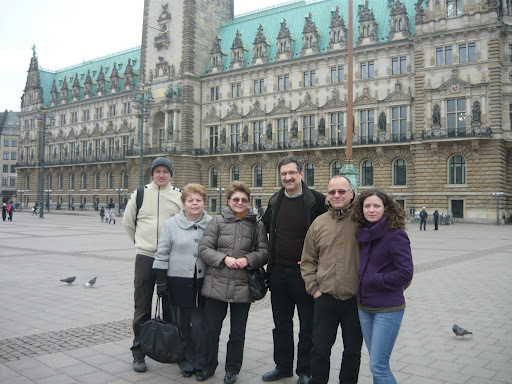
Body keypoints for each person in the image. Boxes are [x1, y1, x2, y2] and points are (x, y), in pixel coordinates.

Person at [261, 156, 327, 384]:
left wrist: (316, 263)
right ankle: (283, 366)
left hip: (305, 276)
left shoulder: (317, 201)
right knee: (281, 325)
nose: (287, 177)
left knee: (307, 325)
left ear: (301, 174)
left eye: (291, 173)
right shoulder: (275, 199)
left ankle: (305, 370)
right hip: (278, 272)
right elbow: (264, 229)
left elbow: (328, 235)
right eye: (283, 174)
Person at [197, 181, 268, 384]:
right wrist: (224, 259)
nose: (240, 202)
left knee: (237, 332)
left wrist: (248, 260)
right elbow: (204, 248)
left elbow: (264, 252)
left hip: (242, 286)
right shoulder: (217, 222)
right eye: (235, 199)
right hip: (216, 284)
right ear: (228, 201)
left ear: (248, 202)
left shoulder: (257, 224)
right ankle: (207, 365)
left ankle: (232, 369)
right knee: (211, 330)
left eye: (244, 200)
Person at [123, 157, 183, 373]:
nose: (161, 175)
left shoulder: (178, 196)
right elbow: (128, 223)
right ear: (152, 174)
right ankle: (138, 353)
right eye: (157, 171)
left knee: (171, 306)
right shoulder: (139, 195)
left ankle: (171, 348)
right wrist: (142, 245)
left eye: (165, 171)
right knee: (142, 307)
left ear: (170, 175)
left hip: (170, 258)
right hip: (145, 257)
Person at [301, 175, 362, 384]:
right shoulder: (319, 223)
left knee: (352, 351)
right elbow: (308, 260)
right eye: (332, 192)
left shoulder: (362, 220)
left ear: (351, 193)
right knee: (319, 349)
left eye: (342, 191)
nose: (336, 195)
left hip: (355, 299)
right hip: (325, 297)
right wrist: (314, 290)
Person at [351, 188, 413, 384]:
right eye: (367, 206)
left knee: (378, 365)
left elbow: (406, 272)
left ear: (386, 208)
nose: (371, 210)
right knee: (376, 363)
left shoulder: (396, 235)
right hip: (365, 308)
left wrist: (372, 279)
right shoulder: (364, 234)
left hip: (388, 309)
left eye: (376, 206)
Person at [153, 183, 212, 378]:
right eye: (190, 200)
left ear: (204, 202)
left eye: (199, 200)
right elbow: (162, 253)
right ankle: (185, 359)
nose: (195, 204)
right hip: (178, 282)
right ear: (184, 203)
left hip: (202, 282)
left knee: (200, 325)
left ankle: (200, 358)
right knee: (182, 324)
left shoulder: (212, 223)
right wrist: (160, 282)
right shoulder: (172, 224)